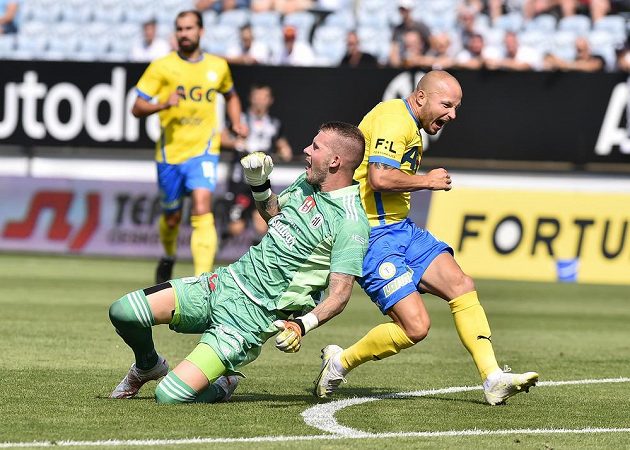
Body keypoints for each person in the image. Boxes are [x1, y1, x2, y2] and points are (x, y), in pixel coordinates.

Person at [313, 71, 539, 406]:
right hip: (371, 236)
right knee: (416, 328)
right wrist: (426, 181)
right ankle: (340, 363)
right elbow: (378, 178)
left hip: (399, 229)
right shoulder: (394, 120)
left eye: (457, 107)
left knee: (461, 284)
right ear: (421, 97)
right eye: (446, 104)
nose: (452, 115)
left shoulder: (409, 125)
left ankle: (492, 378)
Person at [108, 122, 370, 404]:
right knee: (123, 312)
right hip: (224, 283)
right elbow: (274, 216)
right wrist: (259, 184)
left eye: (316, 147)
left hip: (250, 321)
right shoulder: (308, 182)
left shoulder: (351, 223)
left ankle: (224, 383)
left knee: (168, 396)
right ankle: (148, 365)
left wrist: (301, 326)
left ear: (335, 161)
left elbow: (340, 295)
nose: (306, 149)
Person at [131, 10, 247, 284]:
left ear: (201, 31)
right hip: (170, 153)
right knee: (171, 217)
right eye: (179, 29)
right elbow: (137, 107)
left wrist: (236, 122)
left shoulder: (218, 66)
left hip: (204, 149)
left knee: (202, 205)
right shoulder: (162, 66)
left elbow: (231, 96)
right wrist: (162, 104)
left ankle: (201, 283)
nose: (184, 34)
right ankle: (169, 254)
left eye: (189, 28)